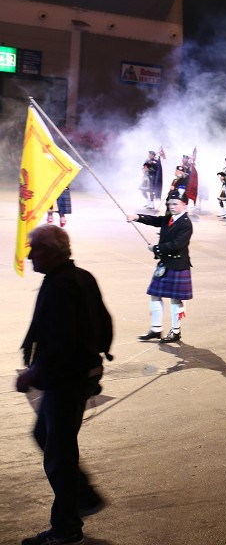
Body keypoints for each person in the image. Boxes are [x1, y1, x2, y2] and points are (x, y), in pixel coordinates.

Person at [16, 225, 112, 545]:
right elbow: (103, 321)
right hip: (77, 374)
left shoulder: (61, 285)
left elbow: (61, 341)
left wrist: (34, 372)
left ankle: (67, 528)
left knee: (59, 454)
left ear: (55, 251)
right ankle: (84, 496)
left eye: (36, 249)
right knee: (47, 437)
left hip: (66, 380)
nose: (29, 256)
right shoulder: (79, 277)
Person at [127, 194, 193, 343]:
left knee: (176, 300)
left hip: (177, 265)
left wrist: (156, 248)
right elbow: (155, 220)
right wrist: (137, 217)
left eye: (175, 204)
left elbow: (176, 245)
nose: (171, 206)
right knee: (155, 295)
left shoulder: (185, 224)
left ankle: (175, 331)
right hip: (165, 263)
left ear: (184, 205)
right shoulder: (170, 218)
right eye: (170, 204)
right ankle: (156, 329)